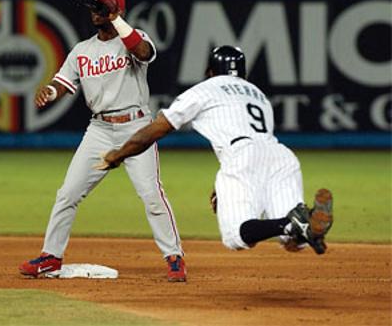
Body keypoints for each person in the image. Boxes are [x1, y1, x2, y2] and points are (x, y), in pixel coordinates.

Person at [19, 0, 186, 282]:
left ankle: (174, 257)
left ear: (114, 8)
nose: (94, 12)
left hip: (136, 127)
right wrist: (51, 92)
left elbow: (144, 52)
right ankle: (50, 257)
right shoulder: (82, 50)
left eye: (99, 6)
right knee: (67, 194)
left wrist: (116, 17)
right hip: (99, 130)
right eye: (92, 8)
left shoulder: (134, 37)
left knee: (151, 195)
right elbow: (63, 82)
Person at [96, 45, 334, 255]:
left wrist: (118, 154)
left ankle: (293, 222)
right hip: (281, 156)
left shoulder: (206, 89)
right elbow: (254, 146)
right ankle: (303, 222)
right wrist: (225, 190)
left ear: (210, 72)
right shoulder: (258, 95)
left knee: (235, 237)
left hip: (242, 155)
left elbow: (157, 129)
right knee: (293, 241)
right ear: (243, 72)